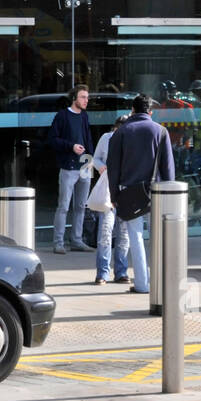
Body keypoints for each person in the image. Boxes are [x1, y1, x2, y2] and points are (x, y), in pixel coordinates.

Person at [106, 94, 176, 294]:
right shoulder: (161, 131)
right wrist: (171, 194)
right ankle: (161, 281)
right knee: (159, 237)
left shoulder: (121, 132)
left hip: (129, 193)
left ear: (132, 110)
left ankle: (142, 284)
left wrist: (113, 195)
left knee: (135, 238)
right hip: (158, 192)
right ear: (150, 112)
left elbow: (113, 168)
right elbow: (168, 167)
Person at [48, 86, 94, 254]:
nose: (86, 100)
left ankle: (77, 240)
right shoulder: (62, 116)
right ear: (74, 98)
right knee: (64, 206)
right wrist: (71, 146)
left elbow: (88, 138)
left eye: (87, 97)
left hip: (84, 166)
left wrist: (91, 158)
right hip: (68, 166)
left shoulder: (84, 116)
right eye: (83, 97)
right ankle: (58, 242)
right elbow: (52, 139)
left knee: (81, 205)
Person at [90, 114, 131, 285]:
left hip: (125, 191)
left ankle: (121, 272)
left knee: (124, 234)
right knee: (105, 232)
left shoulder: (132, 140)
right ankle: (103, 273)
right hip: (108, 190)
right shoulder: (106, 138)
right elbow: (96, 158)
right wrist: (102, 167)